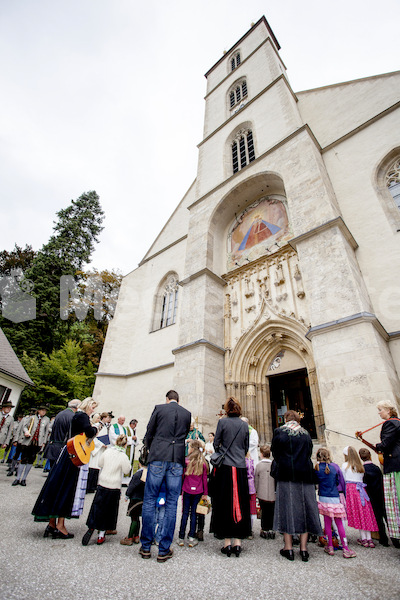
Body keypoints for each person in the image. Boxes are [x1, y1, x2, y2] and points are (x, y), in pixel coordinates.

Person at [32, 397, 100, 539]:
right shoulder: (82, 416)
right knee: (66, 488)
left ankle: (52, 523)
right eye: (93, 407)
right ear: (87, 406)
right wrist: (96, 427)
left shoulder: (76, 415)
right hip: (72, 455)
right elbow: (89, 432)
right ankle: (60, 525)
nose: (93, 410)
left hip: (66, 452)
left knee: (57, 486)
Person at [139, 390, 191, 563]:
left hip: (158, 457)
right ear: (178, 400)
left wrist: (149, 448)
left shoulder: (159, 409)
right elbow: (183, 435)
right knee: (171, 503)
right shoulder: (186, 413)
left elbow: (149, 431)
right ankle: (164, 548)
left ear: (167, 399)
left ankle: (146, 546)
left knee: (149, 500)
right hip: (176, 460)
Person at [271, 409, 321, 562]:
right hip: (305, 476)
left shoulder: (280, 432)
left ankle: (288, 548)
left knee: (287, 508)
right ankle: (304, 549)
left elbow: (275, 453)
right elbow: (309, 453)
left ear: (285, 419)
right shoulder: (306, 433)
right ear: (298, 420)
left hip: (287, 475)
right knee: (305, 509)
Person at [210, 397, 251, 557]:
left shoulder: (223, 422)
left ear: (227, 409)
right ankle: (238, 542)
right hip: (239, 467)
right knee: (240, 501)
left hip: (225, 468)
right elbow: (246, 446)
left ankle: (227, 543)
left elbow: (216, 443)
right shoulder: (244, 424)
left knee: (225, 502)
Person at [82, 433, 131, 546]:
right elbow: (126, 470)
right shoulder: (123, 456)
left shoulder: (108, 451)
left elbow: (100, 463)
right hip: (113, 486)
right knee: (108, 510)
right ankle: (101, 534)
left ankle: (92, 526)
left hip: (103, 483)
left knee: (98, 506)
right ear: (125, 445)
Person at [315, 448, 356, 558]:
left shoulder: (317, 468)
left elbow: (316, 481)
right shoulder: (334, 467)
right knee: (338, 523)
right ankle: (345, 547)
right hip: (334, 497)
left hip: (323, 497)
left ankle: (330, 546)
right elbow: (338, 481)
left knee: (327, 523)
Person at [341, 446, 378, 548]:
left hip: (352, 491)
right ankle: (369, 538)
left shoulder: (345, 466)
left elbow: (344, 479)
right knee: (365, 514)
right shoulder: (360, 466)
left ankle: (364, 538)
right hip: (361, 491)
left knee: (358, 514)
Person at [374, 399, 400, 546]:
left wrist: (378, 446)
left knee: (394, 498)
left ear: (388, 410)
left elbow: (385, 444)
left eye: (381, 410)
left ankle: (397, 534)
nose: (379, 412)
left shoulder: (390, 423)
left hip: (394, 464)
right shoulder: (398, 422)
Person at [177, 439, 208, 547]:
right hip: (198, 491)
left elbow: (182, 476)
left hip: (187, 489)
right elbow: (204, 479)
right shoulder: (202, 463)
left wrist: (180, 489)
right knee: (194, 514)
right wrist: (205, 493)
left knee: (185, 513)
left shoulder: (186, 462)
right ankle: (191, 537)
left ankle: (181, 537)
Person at [12, 405, 50, 487]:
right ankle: (18, 478)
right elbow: (24, 426)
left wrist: (43, 443)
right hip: (28, 441)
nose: (44, 412)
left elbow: (46, 432)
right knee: (23, 458)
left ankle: (24, 478)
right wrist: (26, 432)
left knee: (31, 459)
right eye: (42, 410)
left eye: (45, 411)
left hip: (37, 442)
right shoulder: (32, 417)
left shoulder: (47, 420)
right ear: (38, 411)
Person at [359, 447, 389, 546]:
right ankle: (394, 537)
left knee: (378, 519)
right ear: (370, 456)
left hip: (371, 497)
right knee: (386, 517)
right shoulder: (376, 468)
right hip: (380, 494)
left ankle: (383, 539)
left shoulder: (363, 470)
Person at [43, 399, 80, 470]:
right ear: (77, 407)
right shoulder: (72, 416)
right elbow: (70, 434)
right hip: (61, 446)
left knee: (52, 470)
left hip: (53, 445)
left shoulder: (60, 413)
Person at [120, 459, 146, 546]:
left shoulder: (138, 474)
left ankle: (130, 537)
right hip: (143, 498)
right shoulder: (148, 474)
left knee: (134, 518)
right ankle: (137, 536)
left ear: (139, 464)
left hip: (135, 498)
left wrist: (127, 495)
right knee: (137, 517)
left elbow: (132, 486)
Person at [87, 411, 112, 493]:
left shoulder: (105, 426)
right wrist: (101, 444)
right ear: (104, 418)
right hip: (96, 449)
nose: (109, 419)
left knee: (97, 467)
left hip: (101, 449)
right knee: (93, 466)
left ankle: (94, 485)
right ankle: (89, 486)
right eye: (107, 417)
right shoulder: (98, 425)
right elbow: (93, 437)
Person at [254, 445, 275, 539]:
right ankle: (271, 529)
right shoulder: (274, 465)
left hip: (262, 493)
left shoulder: (258, 465)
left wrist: (255, 490)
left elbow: (256, 480)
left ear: (261, 454)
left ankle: (264, 529)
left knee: (264, 511)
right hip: (272, 493)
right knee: (271, 511)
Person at [246, 451, 257, 537]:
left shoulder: (242, 462)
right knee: (251, 509)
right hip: (252, 487)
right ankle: (250, 529)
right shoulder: (251, 462)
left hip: (244, 486)